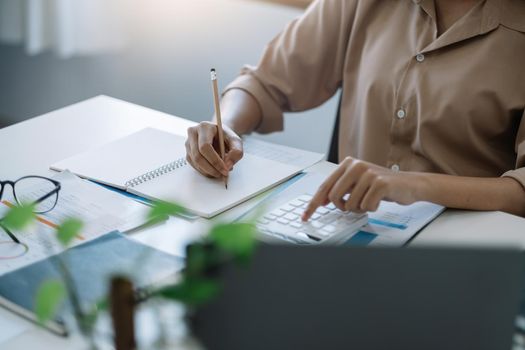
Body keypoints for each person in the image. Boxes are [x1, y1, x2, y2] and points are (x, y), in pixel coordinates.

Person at [185, 0, 525, 220]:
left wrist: (412, 185)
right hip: (348, 229)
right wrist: (223, 125)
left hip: (468, 250)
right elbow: (264, 83)